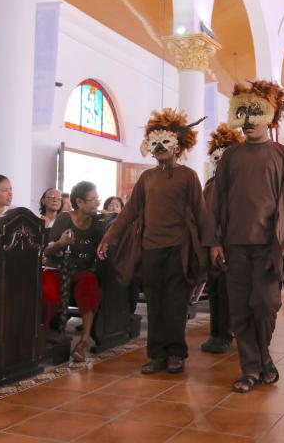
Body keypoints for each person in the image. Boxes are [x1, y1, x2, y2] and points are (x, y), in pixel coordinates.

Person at [205, 81, 284, 393]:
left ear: (271, 117)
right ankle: (251, 368)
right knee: (240, 309)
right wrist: (215, 241)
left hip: (269, 246)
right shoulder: (231, 156)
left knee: (265, 304)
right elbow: (217, 202)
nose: (247, 121)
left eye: (255, 113)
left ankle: (263, 356)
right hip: (235, 245)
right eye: (242, 113)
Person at [98, 109, 206, 375]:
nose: (158, 148)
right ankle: (157, 355)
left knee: (176, 305)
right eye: (154, 143)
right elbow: (129, 212)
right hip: (150, 250)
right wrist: (108, 238)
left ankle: (176, 355)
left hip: (178, 250)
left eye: (164, 143)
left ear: (177, 145)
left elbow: (202, 215)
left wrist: (211, 248)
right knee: (156, 305)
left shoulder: (189, 176)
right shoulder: (146, 178)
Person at [42, 181, 104, 362]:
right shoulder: (65, 219)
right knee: (48, 293)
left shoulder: (97, 225)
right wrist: (61, 243)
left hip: (81, 271)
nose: (97, 203)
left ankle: (83, 341)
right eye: (92, 200)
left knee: (90, 284)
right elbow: (48, 250)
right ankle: (44, 337)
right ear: (80, 202)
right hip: (57, 269)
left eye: (97, 199)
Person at [200, 123, 244, 354]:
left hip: (232, 245)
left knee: (228, 291)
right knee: (215, 291)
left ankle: (225, 334)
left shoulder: (238, 186)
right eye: (216, 157)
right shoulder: (210, 185)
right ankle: (216, 332)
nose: (219, 161)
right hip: (212, 243)